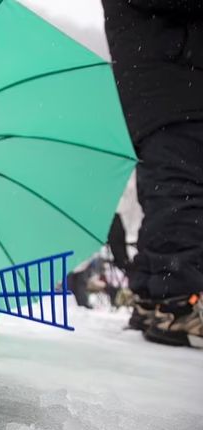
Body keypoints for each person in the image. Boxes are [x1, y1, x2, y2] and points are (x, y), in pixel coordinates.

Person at [102, 0, 203, 347]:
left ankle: (152, 296)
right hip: (172, 83)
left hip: (163, 83)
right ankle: (177, 303)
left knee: (166, 191)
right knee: (182, 192)